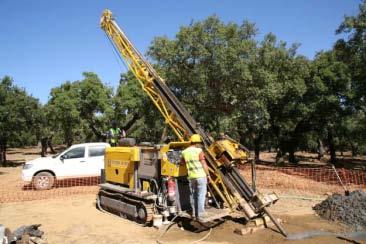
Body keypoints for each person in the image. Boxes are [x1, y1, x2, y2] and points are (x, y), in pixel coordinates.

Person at [181, 134, 210, 221]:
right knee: (201, 194)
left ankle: (194, 213)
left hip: (191, 177)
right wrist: (208, 175)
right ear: (196, 143)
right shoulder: (199, 150)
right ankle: (200, 213)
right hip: (201, 176)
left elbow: (181, 163)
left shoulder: (184, 152)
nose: (199, 145)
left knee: (193, 195)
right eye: (199, 143)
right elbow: (204, 163)